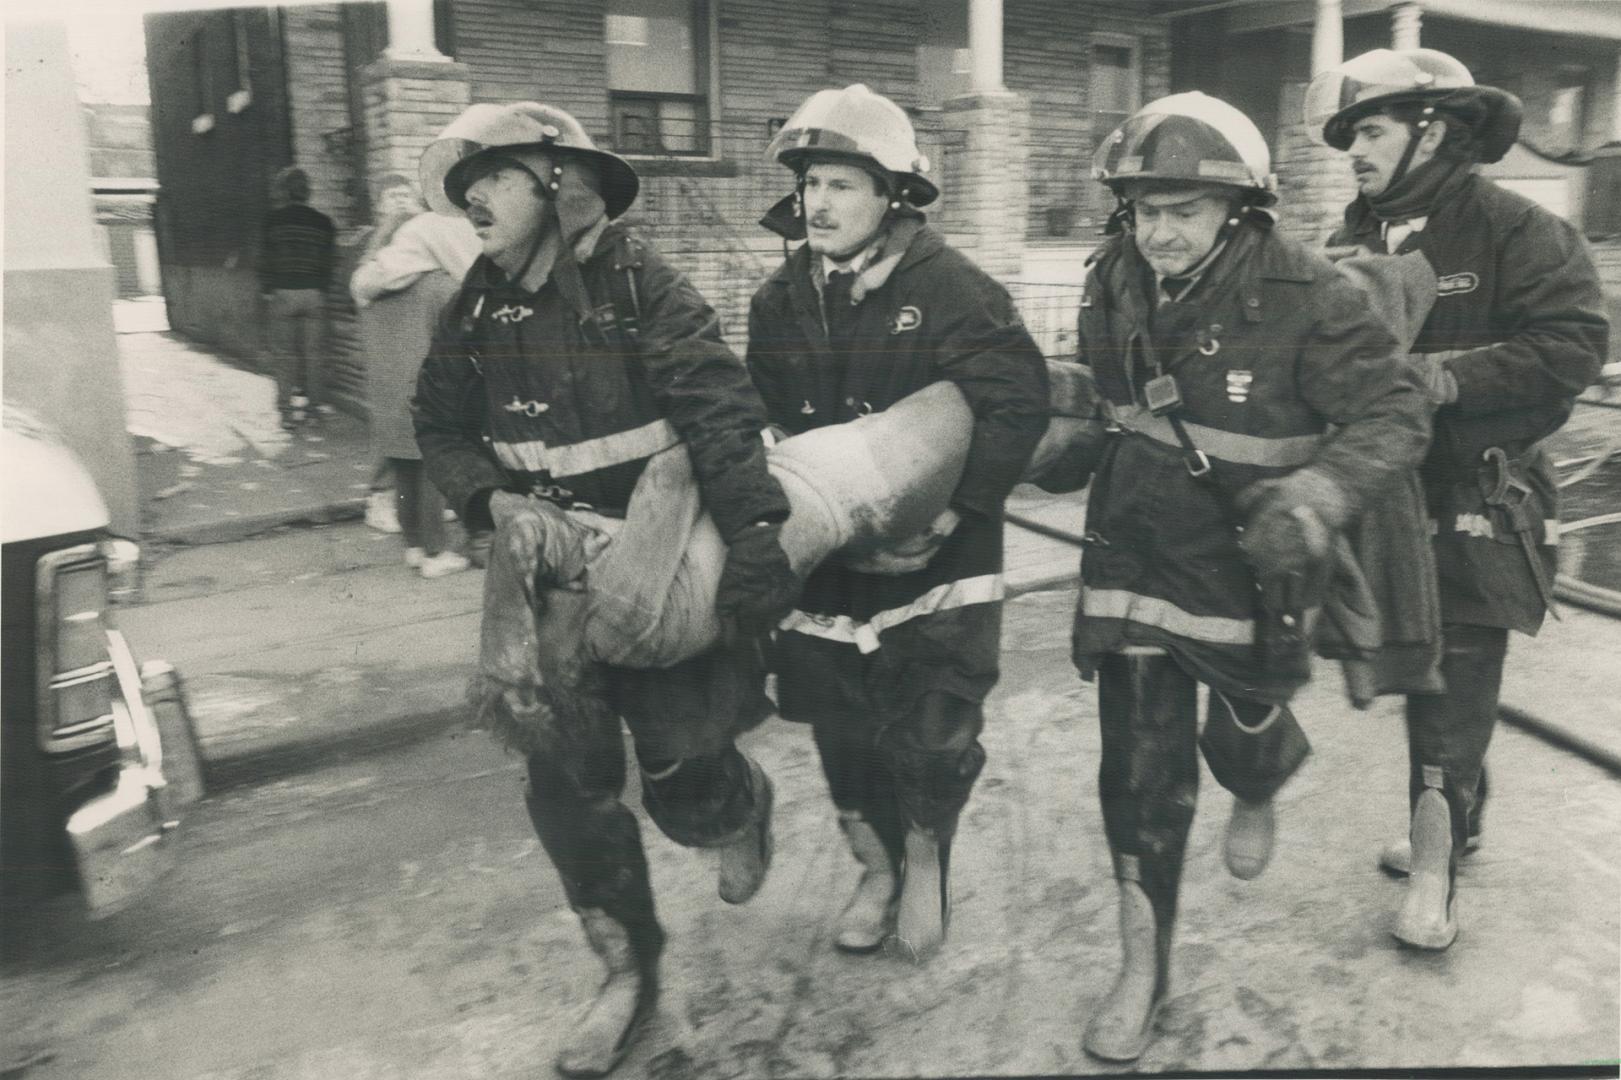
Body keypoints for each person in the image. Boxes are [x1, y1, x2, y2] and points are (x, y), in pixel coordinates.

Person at [411, 101, 797, 1079]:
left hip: (661, 561)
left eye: (490, 179)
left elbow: (717, 410)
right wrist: (491, 501)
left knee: (679, 771)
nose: (472, 202)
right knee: (566, 788)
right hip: (545, 582)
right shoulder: (477, 303)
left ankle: (736, 803)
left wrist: (754, 536)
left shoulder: (639, 282)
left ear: (557, 179)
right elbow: (437, 424)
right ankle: (629, 979)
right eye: (464, 190)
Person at [1071, 92, 1432, 1061]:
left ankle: (1258, 778)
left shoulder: (1313, 293)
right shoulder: (1111, 277)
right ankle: (1141, 968)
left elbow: (1396, 412)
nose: (1158, 232)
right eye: (1143, 209)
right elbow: (1100, 396)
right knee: (1137, 771)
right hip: (1134, 546)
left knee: (1250, 711)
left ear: (1239, 208)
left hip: (1254, 560)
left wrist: (1317, 494)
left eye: (1182, 209)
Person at [1308, 49, 1609, 949]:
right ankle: (1457, 817)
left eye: (1370, 130)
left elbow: (1572, 348)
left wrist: (1442, 377)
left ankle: (1435, 873)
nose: (1353, 152)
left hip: (1483, 492)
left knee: (1456, 680)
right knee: (1408, 666)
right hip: (1387, 500)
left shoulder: (1516, 229)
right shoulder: (1351, 238)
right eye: (1351, 135)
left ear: (1430, 129)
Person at [745, 84, 1050, 962]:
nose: (819, 203)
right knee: (839, 725)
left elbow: (1017, 403)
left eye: (842, 183)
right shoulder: (780, 300)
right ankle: (873, 867)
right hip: (831, 559)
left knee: (930, 728)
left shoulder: (955, 290)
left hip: (938, 557)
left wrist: (958, 507)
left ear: (892, 195)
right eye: (810, 183)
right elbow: (759, 412)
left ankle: (923, 857)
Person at [350, 173, 480, 578]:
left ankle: (413, 546)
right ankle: (436, 554)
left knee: (403, 469)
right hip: (428, 394)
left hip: (386, 394)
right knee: (431, 472)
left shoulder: (368, 293)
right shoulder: (437, 286)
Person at [259, 165, 336, 429]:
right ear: (307, 191)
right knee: (315, 356)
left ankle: (287, 413)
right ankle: (314, 411)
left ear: (283, 191)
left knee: (284, 356)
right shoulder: (323, 223)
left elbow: (265, 260)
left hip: (283, 293)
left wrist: (267, 290)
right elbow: (329, 263)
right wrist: (321, 290)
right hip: (314, 294)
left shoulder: (272, 221)